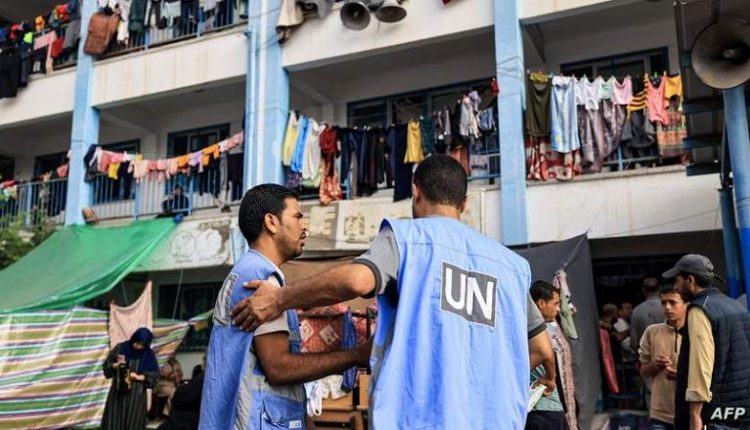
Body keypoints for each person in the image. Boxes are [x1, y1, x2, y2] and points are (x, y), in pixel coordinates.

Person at [232, 155, 550, 429]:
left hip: (415, 420)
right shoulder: (510, 266)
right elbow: (541, 348)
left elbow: (356, 281)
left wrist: (279, 298)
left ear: (415, 192)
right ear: (464, 203)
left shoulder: (408, 238)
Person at [198, 184, 371, 430]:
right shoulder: (260, 278)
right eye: (297, 216)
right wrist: (356, 355)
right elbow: (279, 367)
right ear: (271, 222)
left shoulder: (254, 273)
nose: (304, 226)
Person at [667, 254, 750, 430]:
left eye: (677, 281)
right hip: (742, 409)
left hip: (715, 415)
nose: (675, 287)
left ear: (690, 280)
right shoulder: (735, 305)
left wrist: (695, 416)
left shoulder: (700, 309)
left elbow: (701, 365)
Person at [638, 284, 687, 430]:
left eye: (673, 302)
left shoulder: (696, 332)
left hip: (690, 411)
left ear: (686, 304)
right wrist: (655, 365)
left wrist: (682, 376)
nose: (667, 307)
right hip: (659, 412)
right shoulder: (652, 332)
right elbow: (643, 371)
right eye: (664, 302)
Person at [528, 280, 572, 430]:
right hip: (542, 407)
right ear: (541, 304)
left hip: (545, 406)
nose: (558, 309)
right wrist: (550, 377)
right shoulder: (540, 332)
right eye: (555, 303)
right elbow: (544, 353)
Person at [101, 327, 160, 430]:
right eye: (137, 343)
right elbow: (107, 366)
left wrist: (138, 377)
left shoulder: (148, 354)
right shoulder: (121, 348)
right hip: (118, 392)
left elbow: (154, 375)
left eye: (142, 345)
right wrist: (116, 365)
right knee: (115, 420)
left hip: (136, 394)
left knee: (133, 421)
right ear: (133, 338)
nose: (138, 346)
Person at [631, 277, 663, 352]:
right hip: (667, 352)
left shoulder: (636, 311)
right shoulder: (668, 307)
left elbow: (634, 340)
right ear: (659, 289)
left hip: (646, 353)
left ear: (643, 290)